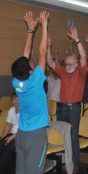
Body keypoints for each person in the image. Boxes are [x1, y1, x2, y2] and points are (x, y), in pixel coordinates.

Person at [11, 11, 49, 174]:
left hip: (22, 135)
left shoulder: (16, 82)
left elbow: (25, 55)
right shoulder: (36, 81)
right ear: (30, 70)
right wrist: (44, 26)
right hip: (36, 136)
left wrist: (31, 29)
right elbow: (42, 52)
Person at [46, 25, 88, 171]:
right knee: (61, 134)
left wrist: (77, 40)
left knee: (73, 136)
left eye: (71, 63)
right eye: (67, 63)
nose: (68, 65)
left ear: (77, 64)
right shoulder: (63, 72)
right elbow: (50, 62)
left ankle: (74, 164)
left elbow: (83, 56)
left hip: (74, 109)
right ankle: (65, 159)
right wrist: (48, 47)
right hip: (61, 107)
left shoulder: (81, 73)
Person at [0, 93, 19, 173]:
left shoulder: (26, 111)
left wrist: (12, 137)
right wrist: (2, 138)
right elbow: (8, 125)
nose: (16, 100)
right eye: (14, 99)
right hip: (12, 134)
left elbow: (25, 129)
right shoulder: (11, 110)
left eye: (18, 98)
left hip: (22, 136)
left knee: (8, 148)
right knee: (1, 144)